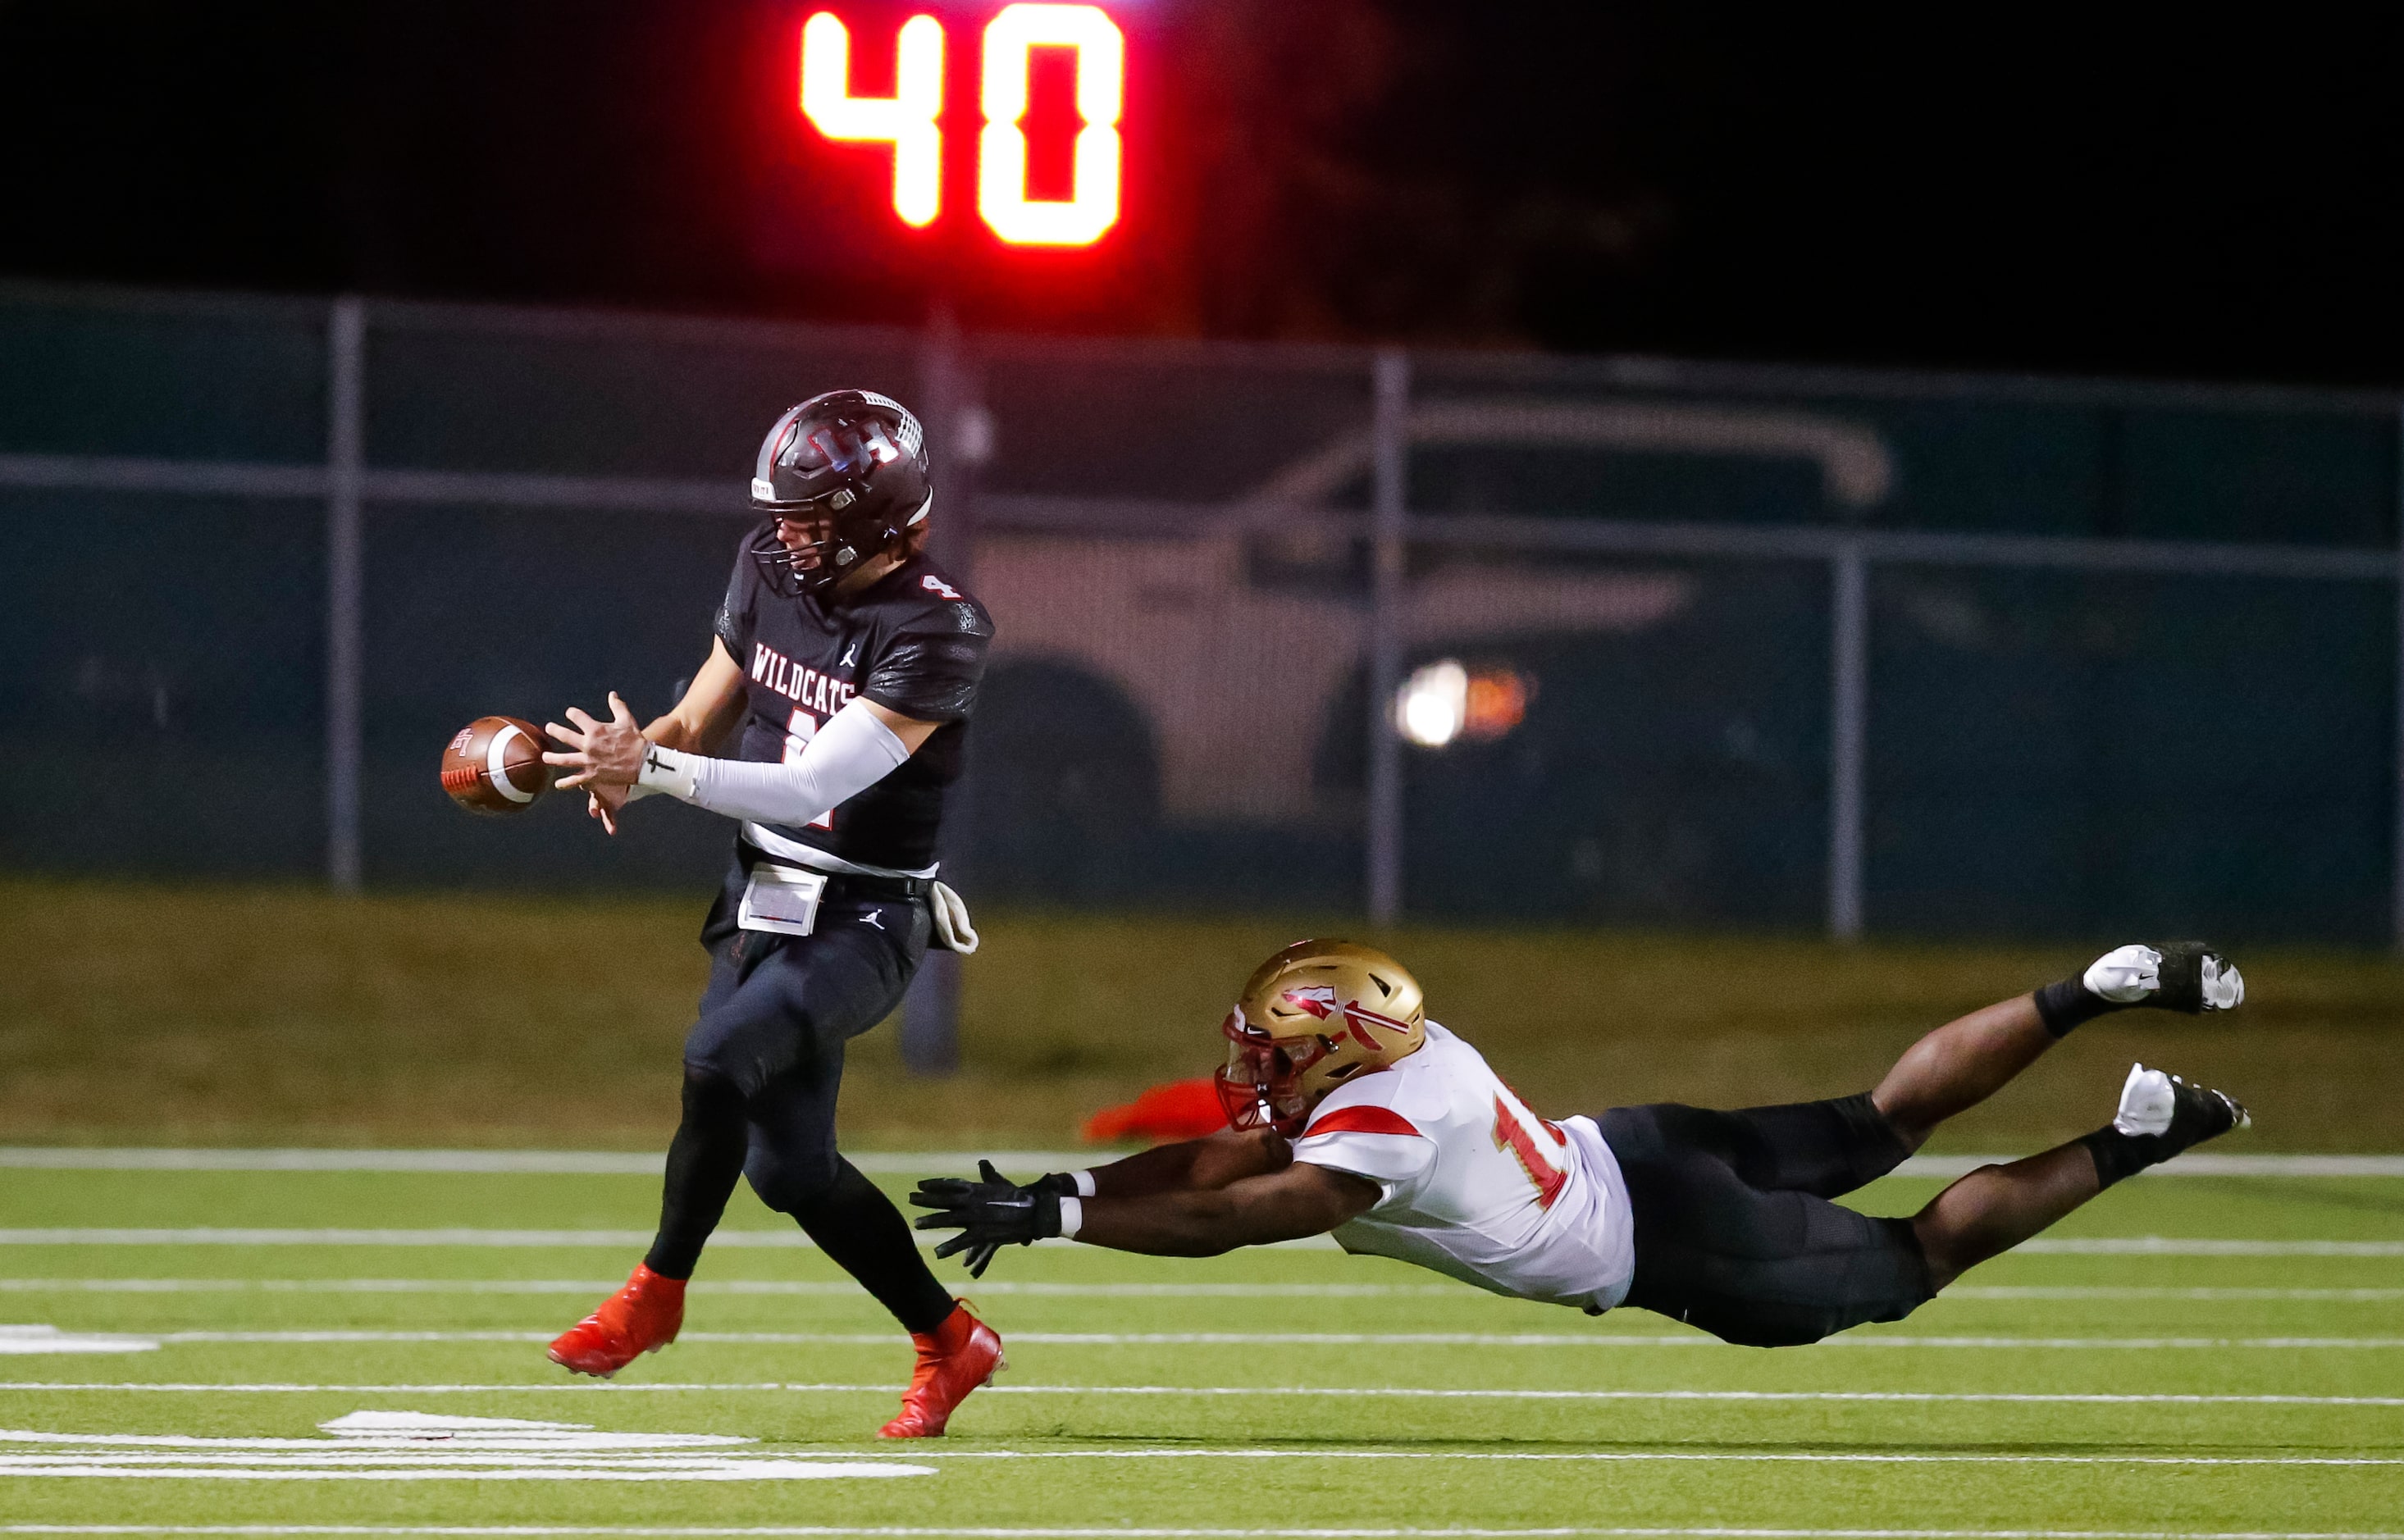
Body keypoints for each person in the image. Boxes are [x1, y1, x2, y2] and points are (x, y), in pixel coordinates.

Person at [910, 939, 2250, 1347]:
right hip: (1640, 1146)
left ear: (1333, 1051)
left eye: (1274, 1045)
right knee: (1879, 1121)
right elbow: (1209, 1164)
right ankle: (2093, 988)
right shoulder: (1400, 1060)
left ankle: (2139, 1133)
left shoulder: (1379, 1120)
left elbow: (1234, 1210)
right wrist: (1068, 1190)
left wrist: (1071, 1218)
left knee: (1914, 1255)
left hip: (1666, 1232)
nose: (1251, 1061)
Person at [539, 390, 1003, 1437]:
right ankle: (951, 1338)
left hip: (867, 920)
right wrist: (620, 760)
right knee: (789, 1169)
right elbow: (704, 713)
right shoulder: (765, 565)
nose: (787, 536)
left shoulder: (939, 627)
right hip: (759, 898)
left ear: (876, 517)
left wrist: (652, 769)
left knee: (714, 1058)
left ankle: (655, 1294)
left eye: (811, 519)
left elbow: (810, 788)